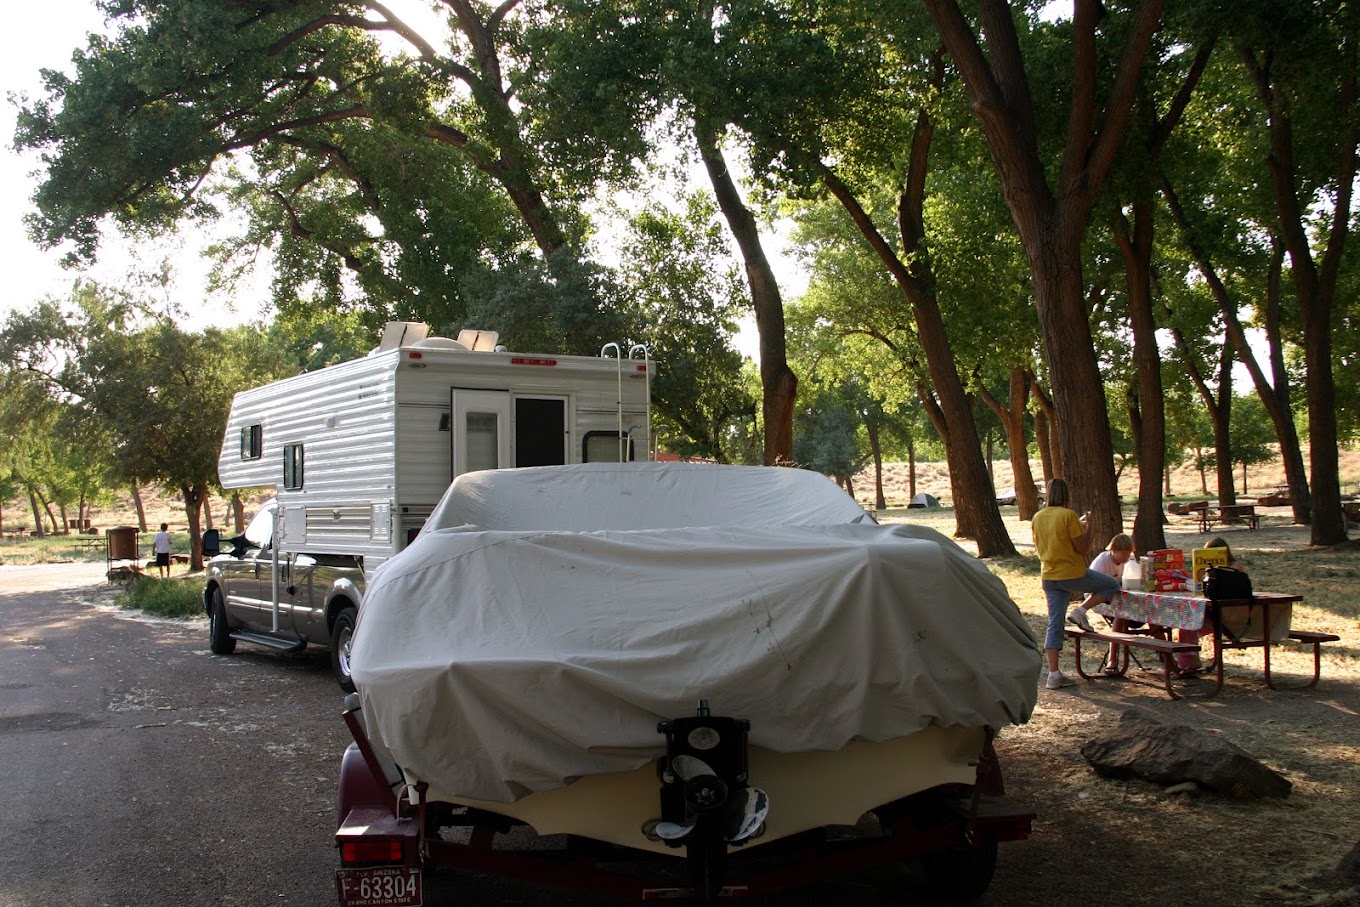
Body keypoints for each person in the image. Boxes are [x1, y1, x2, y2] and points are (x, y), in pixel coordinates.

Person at [1032, 478, 1121, 689]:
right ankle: (1081, 610)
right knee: (1111, 585)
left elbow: (1055, 538)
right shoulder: (1068, 515)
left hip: (1049, 575)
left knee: (1055, 622)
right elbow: (1082, 548)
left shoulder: (1038, 517)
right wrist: (1089, 527)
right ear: (1066, 496)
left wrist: (1077, 526)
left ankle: (1053, 674)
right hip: (1071, 573)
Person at [1178, 536, 1245, 673]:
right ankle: (1189, 664)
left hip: (1228, 615)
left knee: (1189, 626)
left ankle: (1189, 665)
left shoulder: (1235, 567)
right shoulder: (1208, 571)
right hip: (1212, 613)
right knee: (1187, 625)